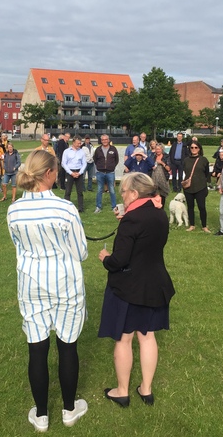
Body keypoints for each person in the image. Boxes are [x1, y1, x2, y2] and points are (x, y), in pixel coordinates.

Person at [7, 150, 89, 432]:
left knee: (37, 349)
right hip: (65, 283)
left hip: (31, 283)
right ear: (51, 174)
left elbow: (18, 247)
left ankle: (41, 414)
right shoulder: (66, 209)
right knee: (68, 347)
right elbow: (81, 251)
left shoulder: (14, 209)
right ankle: (68, 409)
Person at [98, 172, 175, 408]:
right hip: (155, 283)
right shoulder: (158, 212)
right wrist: (125, 219)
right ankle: (146, 389)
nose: (122, 196)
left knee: (123, 339)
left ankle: (122, 390)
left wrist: (105, 258)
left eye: (123, 192)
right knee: (148, 336)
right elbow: (143, 242)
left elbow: (119, 260)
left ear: (134, 193)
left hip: (129, 287)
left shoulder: (133, 219)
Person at [181, 141, 211, 233]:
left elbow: (207, 174)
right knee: (190, 207)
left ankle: (204, 226)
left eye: (196, 147)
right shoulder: (186, 160)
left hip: (200, 187)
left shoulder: (203, 160)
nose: (194, 149)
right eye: (192, 147)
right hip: (189, 188)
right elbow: (185, 172)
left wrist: (205, 185)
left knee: (202, 207)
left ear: (199, 149)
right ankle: (192, 225)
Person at [93, 134, 119, 214]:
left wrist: (111, 166)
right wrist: (100, 167)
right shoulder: (98, 149)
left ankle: (114, 206)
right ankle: (98, 207)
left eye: (106, 139)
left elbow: (116, 160)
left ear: (108, 140)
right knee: (99, 190)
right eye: (103, 140)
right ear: (101, 141)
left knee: (112, 190)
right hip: (100, 172)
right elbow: (95, 160)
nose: (104, 141)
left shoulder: (113, 149)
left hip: (110, 172)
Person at [62, 135, 87, 212]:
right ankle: (67, 208)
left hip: (79, 171)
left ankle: (80, 208)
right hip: (70, 172)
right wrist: (71, 173)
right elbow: (64, 163)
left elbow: (84, 163)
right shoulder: (66, 151)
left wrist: (79, 173)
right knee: (68, 191)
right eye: (78, 143)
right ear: (73, 142)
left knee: (80, 192)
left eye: (80, 143)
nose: (79, 145)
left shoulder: (82, 152)